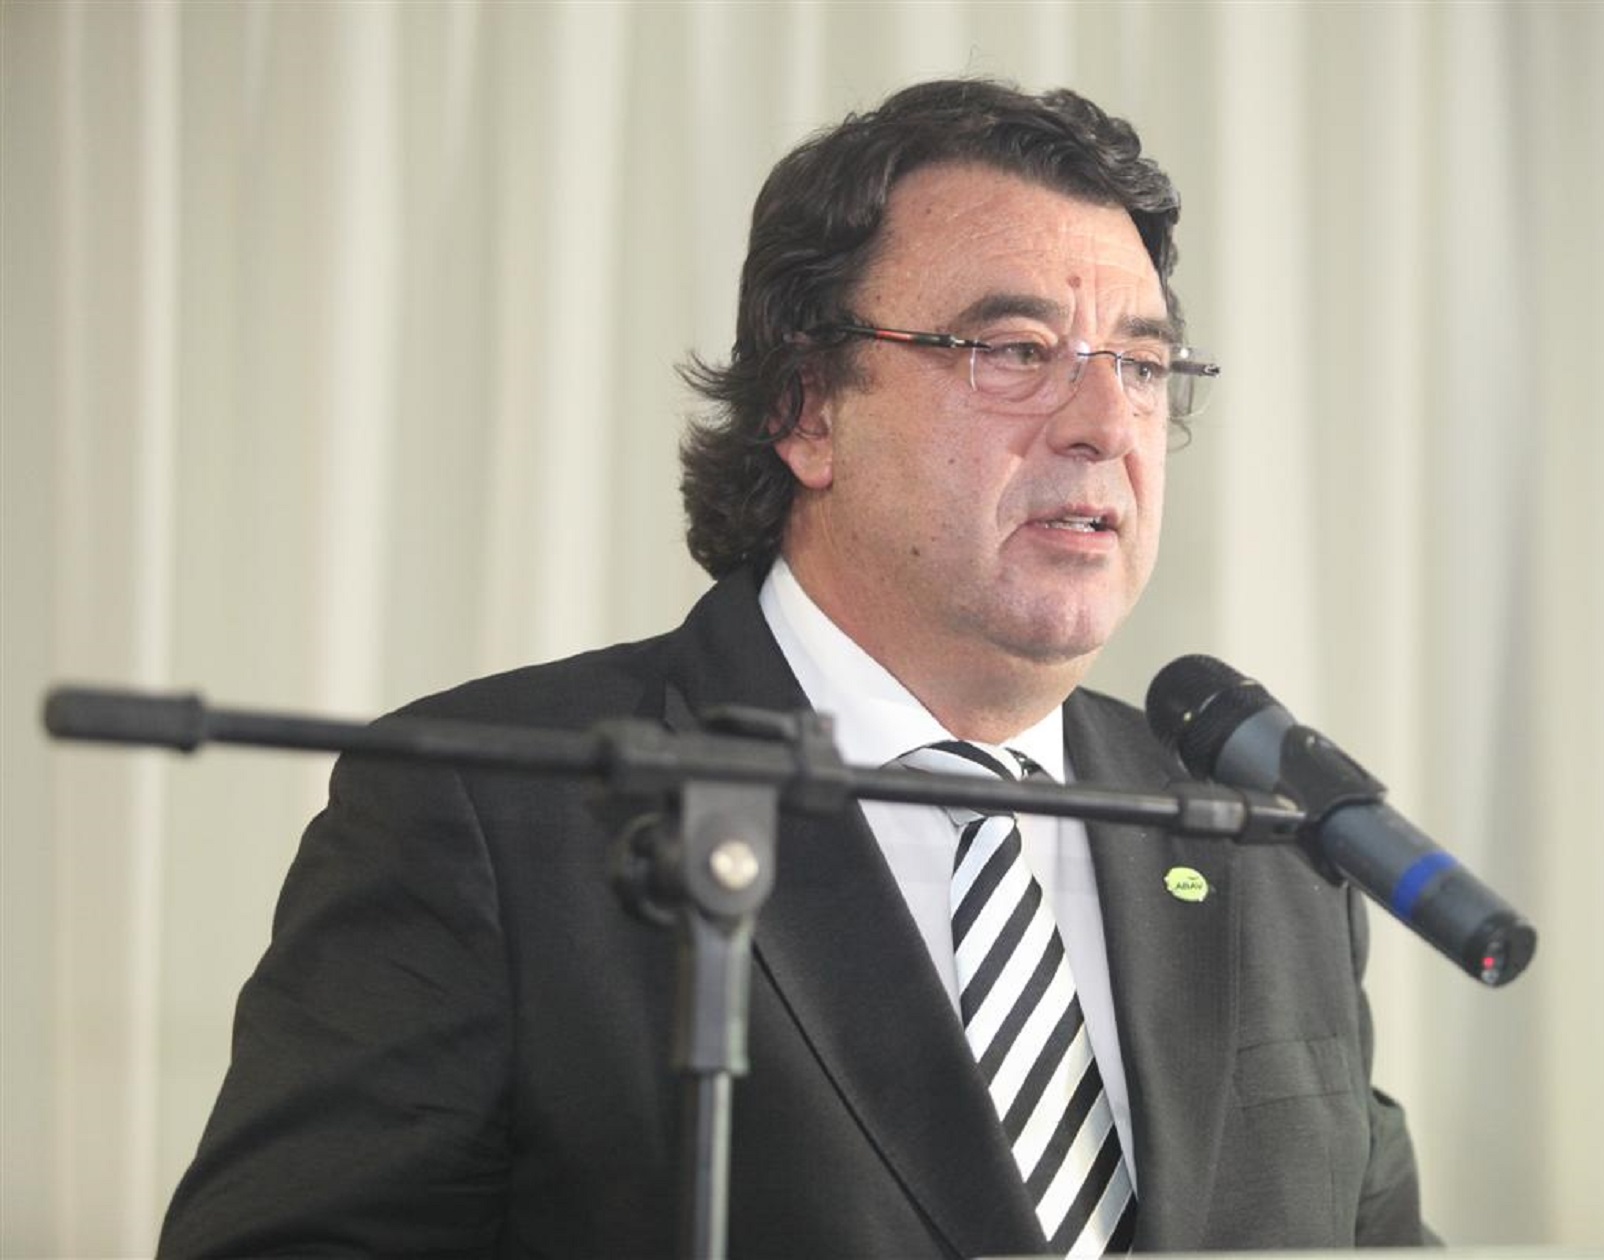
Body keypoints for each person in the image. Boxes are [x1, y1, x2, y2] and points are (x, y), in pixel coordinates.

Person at [159, 78, 1428, 1258]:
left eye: (1142, 366)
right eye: (1013, 349)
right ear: (806, 408)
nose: (1105, 426)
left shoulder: (1261, 842)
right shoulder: (491, 813)